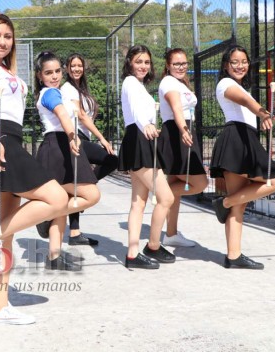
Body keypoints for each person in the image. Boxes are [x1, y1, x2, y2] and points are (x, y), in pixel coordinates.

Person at [0, 13, 71, 325]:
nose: (2, 41)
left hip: (12, 138)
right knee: (56, 199)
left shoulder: (9, 70)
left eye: (7, 36)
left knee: (5, 232)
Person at [209, 45, 275, 269]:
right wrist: (262, 112)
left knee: (238, 203)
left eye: (243, 61)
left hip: (245, 139)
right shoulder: (226, 84)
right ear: (226, 65)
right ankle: (224, 203)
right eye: (235, 61)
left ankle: (233, 255)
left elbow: (245, 100)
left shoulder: (242, 87)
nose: (240, 65)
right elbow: (244, 101)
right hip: (236, 139)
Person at [34, 51, 100, 267]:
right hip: (59, 145)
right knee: (91, 195)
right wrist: (73, 135)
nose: (54, 76)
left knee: (62, 200)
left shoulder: (57, 91)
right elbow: (63, 114)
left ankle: (54, 256)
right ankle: (47, 214)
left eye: (57, 71)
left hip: (61, 144)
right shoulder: (50, 94)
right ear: (39, 75)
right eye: (48, 72)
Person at [118, 44, 175, 269]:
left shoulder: (140, 85)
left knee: (138, 202)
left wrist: (150, 125)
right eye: (139, 61)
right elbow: (136, 110)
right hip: (139, 138)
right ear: (130, 62)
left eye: (147, 62)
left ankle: (132, 255)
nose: (143, 66)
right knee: (166, 198)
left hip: (141, 139)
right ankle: (152, 245)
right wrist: (147, 125)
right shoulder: (131, 82)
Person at [61, 52, 118, 246]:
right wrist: (102, 138)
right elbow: (83, 116)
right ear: (67, 69)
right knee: (112, 160)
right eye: (73, 66)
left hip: (83, 136)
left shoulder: (81, 89)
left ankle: (75, 233)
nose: (77, 69)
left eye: (80, 65)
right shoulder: (68, 88)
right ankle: (54, 216)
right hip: (76, 138)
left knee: (77, 187)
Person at [157, 48, 208, 247]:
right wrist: (184, 130)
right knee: (200, 183)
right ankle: (163, 194)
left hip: (183, 131)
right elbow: (177, 108)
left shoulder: (180, 82)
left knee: (177, 184)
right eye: (177, 64)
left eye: (184, 63)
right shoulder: (169, 82)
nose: (181, 67)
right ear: (168, 66)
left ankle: (171, 233)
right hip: (178, 132)